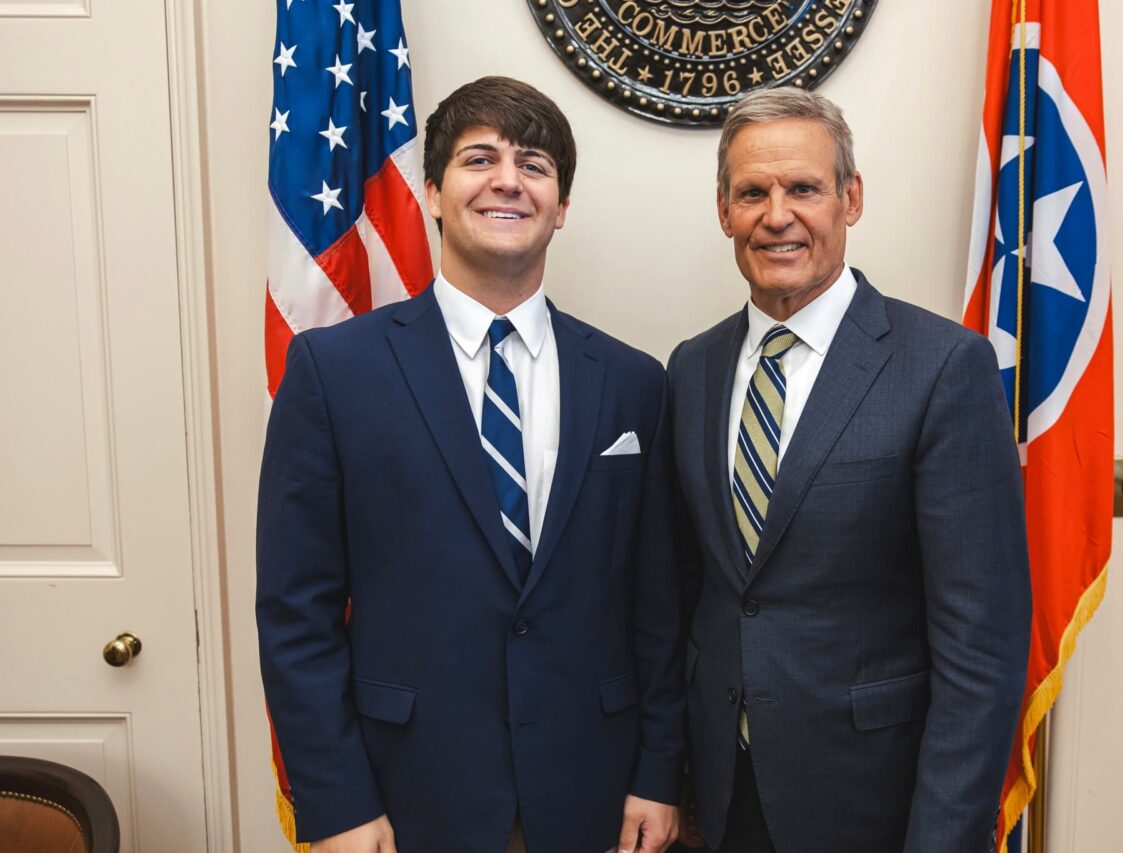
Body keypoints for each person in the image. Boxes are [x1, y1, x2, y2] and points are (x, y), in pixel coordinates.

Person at [257, 76, 684, 853]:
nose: (507, 181)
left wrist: (659, 771)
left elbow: (656, 608)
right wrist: (337, 802)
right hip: (404, 791)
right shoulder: (333, 371)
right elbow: (296, 613)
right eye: (478, 159)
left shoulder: (632, 381)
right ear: (431, 191)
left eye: (534, 164)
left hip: (593, 789)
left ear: (561, 206)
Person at [667, 87, 1032, 852]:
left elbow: (983, 647)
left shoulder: (942, 367)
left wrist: (942, 836)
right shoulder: (692, 368)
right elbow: (689, 595)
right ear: (723, 210)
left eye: (803, 187)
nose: (777, 215)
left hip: (874, 802)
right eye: (752, 192)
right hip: (720, 797)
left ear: (850, 198)